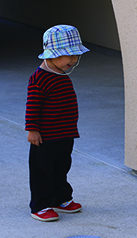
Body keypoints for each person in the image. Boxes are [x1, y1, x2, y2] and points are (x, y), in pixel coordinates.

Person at [25, 25, 89, 222]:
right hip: (45, 137)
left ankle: (60, 199)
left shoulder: (61, 75)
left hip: (64, 134)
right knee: (42, 171)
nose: (73, 60)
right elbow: (33, 106)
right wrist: (32, 129)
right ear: (51, 54)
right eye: (68, 55)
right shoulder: (39, 79)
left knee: (61, 168)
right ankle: (41, 205)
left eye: (76, 55)